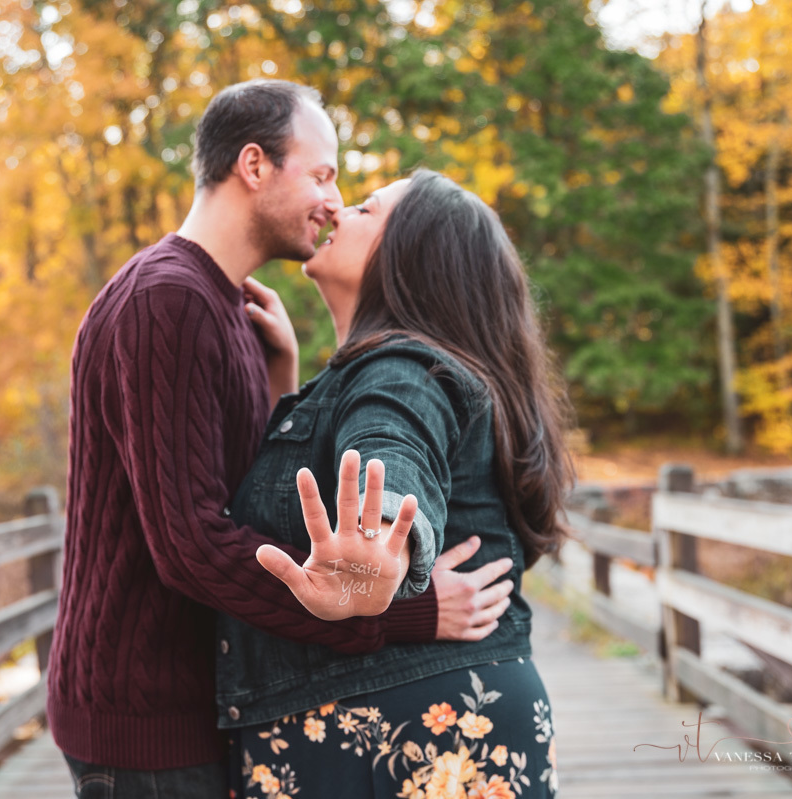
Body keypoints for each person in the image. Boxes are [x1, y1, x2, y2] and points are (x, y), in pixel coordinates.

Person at [47, 80, 516, 799]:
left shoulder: (229, 310)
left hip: (202, 703)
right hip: (147, 719)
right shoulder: (164, 299)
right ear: (255, 165)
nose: (333, 200)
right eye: (323, 174)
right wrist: (406, 610)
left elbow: (235, 493)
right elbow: (193, 545)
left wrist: (280, 381)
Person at [220, 170, 575, 798]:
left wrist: (382, 544)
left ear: (409, 255)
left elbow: (391, 445)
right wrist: (284, 374)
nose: (338, 211)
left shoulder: (401, 371)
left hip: (397, 735)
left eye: (365, 207)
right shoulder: (389, 369)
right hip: (438, 719)